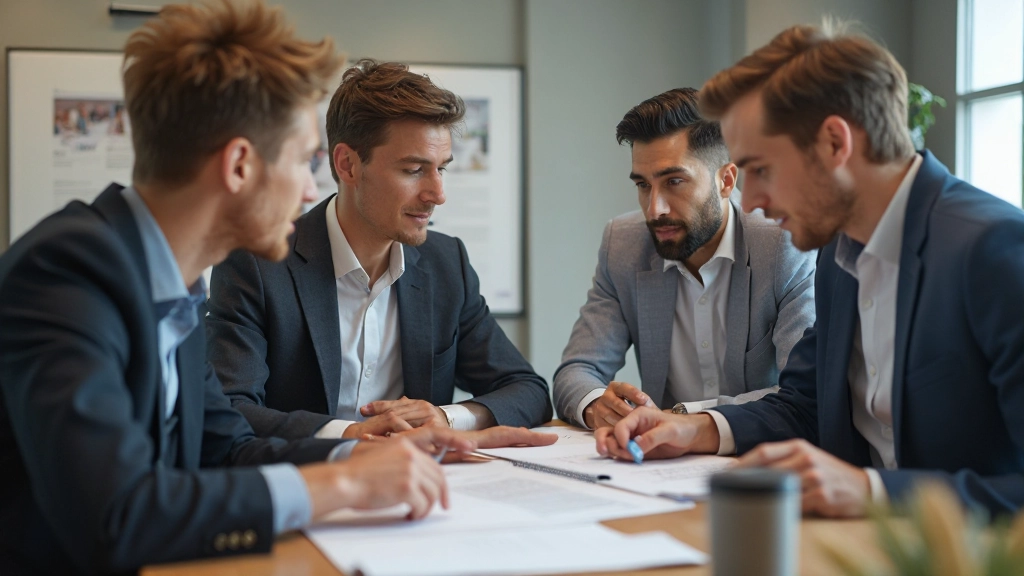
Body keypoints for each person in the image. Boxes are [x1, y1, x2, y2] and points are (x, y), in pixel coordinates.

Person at [0, 3, 549, 573]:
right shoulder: (66, 272)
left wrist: (365, 451)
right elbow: (117, 517)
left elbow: (228, 447)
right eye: (302, 158)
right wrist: (342, 484)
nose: (309, 185)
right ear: (240, 166)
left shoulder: (166, 275)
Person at [596, 22, 1024, 519]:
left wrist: (872, 492)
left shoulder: (995, 250)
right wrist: (696, 429)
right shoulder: (839, 254)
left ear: (834, 144)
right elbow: (804, 404)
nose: (751, 199)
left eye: (761, 168)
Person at [206, 59, 552, 441]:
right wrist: (352, 436)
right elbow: (230, 411)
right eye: (414, 170)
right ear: (348, 165)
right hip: (313, 488)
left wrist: (445, 417)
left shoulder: (446, 263)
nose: (438, 194)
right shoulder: (257, 264)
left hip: (424, 492)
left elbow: (528, 391)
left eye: (442, 168)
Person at [553, 88, 815, 430]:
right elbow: (576, 371)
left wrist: (683, 421)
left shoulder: (783, 245)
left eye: (674, 181)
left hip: (757, 454)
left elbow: (804, 394)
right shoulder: (623, 244)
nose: (654, 208)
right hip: (660, 466)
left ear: (726, 180)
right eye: (643, 185)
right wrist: (596, 406)